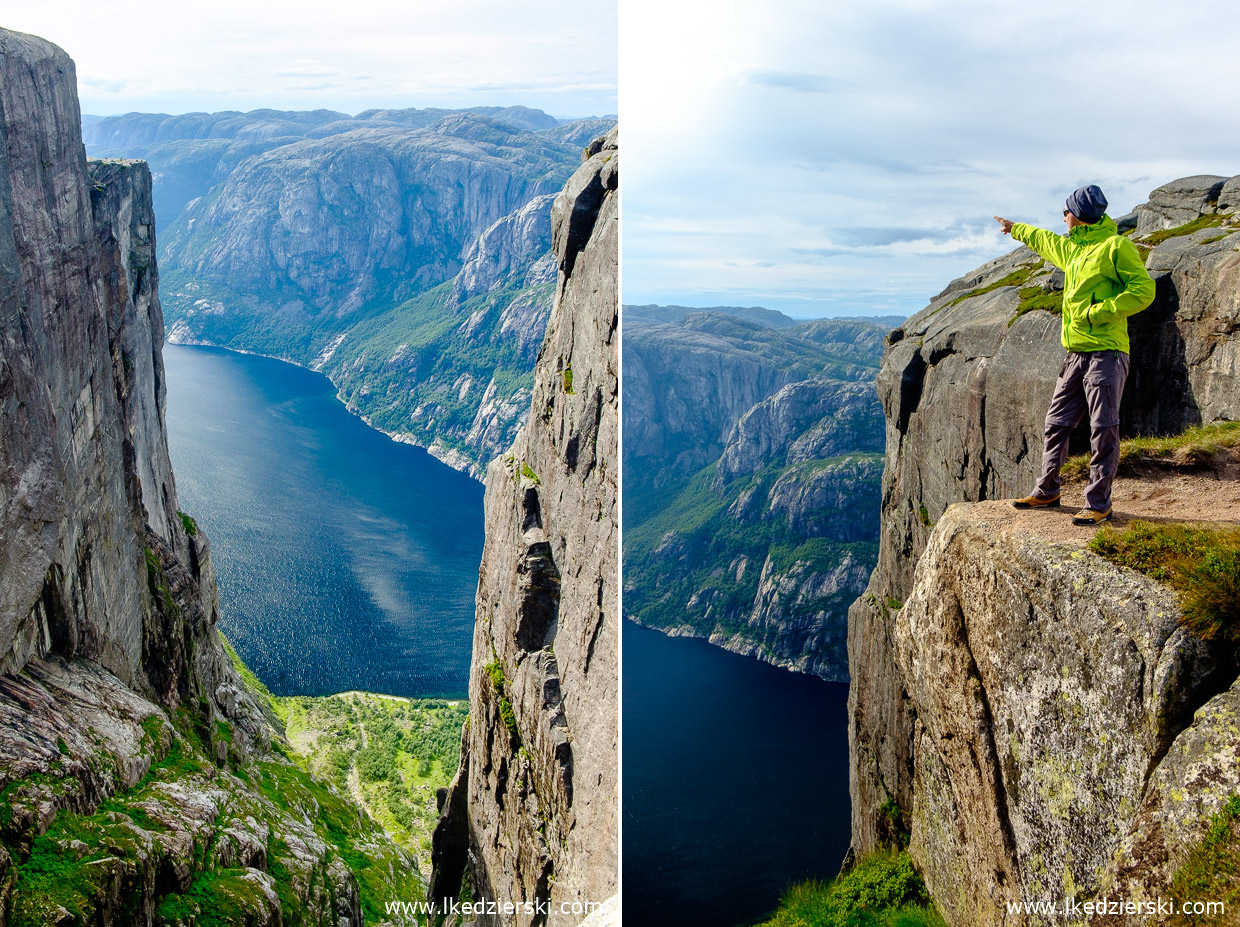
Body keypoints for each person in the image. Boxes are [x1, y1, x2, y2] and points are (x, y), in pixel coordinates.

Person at [993, 184, 1156, 526]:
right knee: (1056, 424)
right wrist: (1015, 229)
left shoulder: (1115, 247)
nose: (1063, 217)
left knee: (1103, 427)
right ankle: (1047, 490)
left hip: (1107, 353)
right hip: (1076, 352)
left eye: (1065, 211)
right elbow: (1044, 240)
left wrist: (1098, 312)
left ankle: (1098, 503)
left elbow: (1143, 290)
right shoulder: (1072, 249)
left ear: (1077, 216)